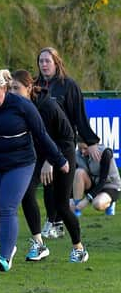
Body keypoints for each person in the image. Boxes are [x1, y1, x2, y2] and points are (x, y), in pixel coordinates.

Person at [0, 69, 74, 271]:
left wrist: (59, 160)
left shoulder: (22, 105)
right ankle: (9, 244)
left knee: (7, 207)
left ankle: (4, 257)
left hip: (20, 162)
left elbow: (41, 134)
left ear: (4, 89)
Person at [36, 46, 101, 238]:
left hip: (63, 143)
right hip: (42, 143)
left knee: (60, 187)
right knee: (48, 184)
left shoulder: (69, 85)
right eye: (41, 61)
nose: (44, 65)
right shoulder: (35, 85)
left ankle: (61, 224)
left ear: (57, 63)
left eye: (48, 61)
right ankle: (53, 222)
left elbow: (79, 116)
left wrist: (90, 141)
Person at [72, 137, 120, 216]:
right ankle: (77, 211)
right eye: (80, 148)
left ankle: (110, 203)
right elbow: (73, 179)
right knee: (78, 172)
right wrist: (71, 199)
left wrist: (86, 201)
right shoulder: (77, 155)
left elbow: (102, 181)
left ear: (93, 146)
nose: (82, 152)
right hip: (93, 184)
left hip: (110, 185)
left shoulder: (105, 152)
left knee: (97, 204)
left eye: (85, 148)